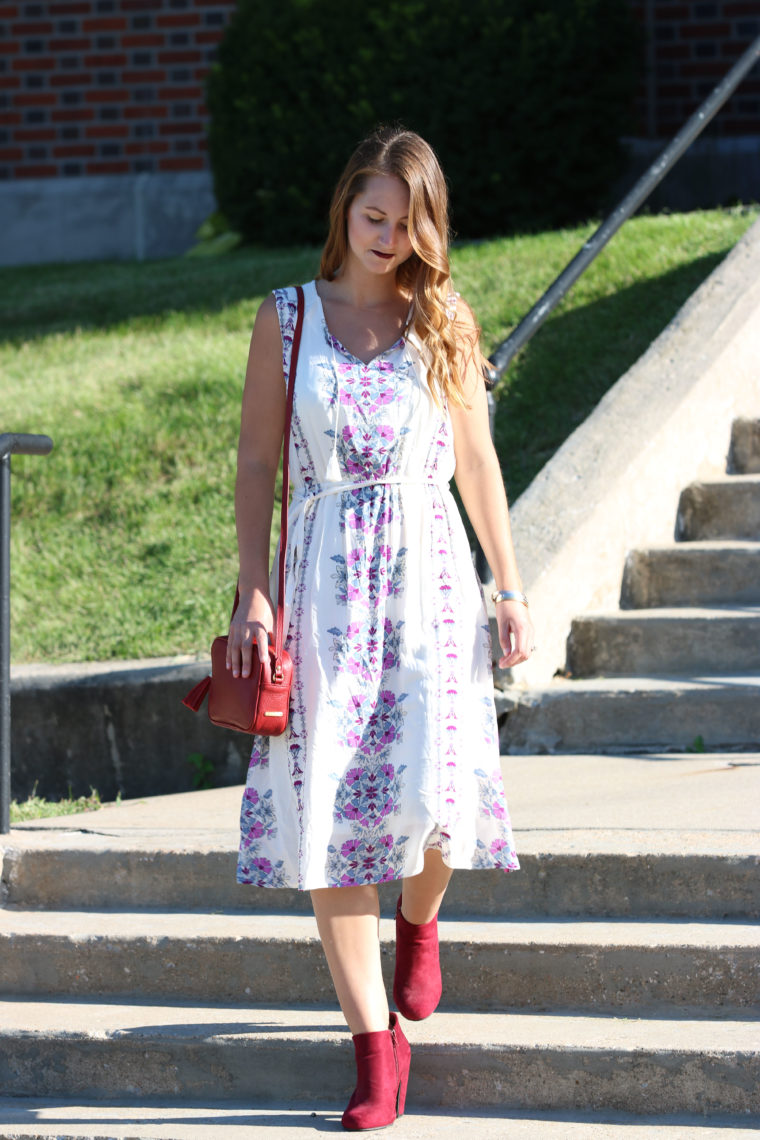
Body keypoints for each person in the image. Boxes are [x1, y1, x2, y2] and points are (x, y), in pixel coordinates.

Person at [227, 125, 534, 1131]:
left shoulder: (441, 316)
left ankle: (420, 918)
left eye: (406, 223)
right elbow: (260, 469)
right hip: (320, 590)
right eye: (372, 216)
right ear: (343, 209)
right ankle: (372, 1047)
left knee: (436, 797)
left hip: (431, 581)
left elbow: (478, 466)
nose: (386, 237)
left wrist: (509, 584)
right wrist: (253, 592)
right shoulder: (286, 320)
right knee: (332, 821)